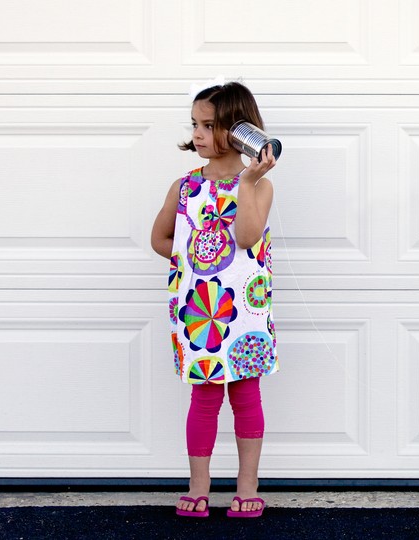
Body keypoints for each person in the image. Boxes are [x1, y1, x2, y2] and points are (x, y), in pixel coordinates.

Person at [151, 81, 277, 519]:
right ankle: (199, 486)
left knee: (245, 396)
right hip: (202, 312)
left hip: (242, 310)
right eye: (195, 124)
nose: (199, 134)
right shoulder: (184, 187)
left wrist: (248, 180)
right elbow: (160, 238)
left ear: (241, 130)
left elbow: (245, 236)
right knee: (204, 399)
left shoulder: (258, 186)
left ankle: (248, 486)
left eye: (210, 125)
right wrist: (200, 255)